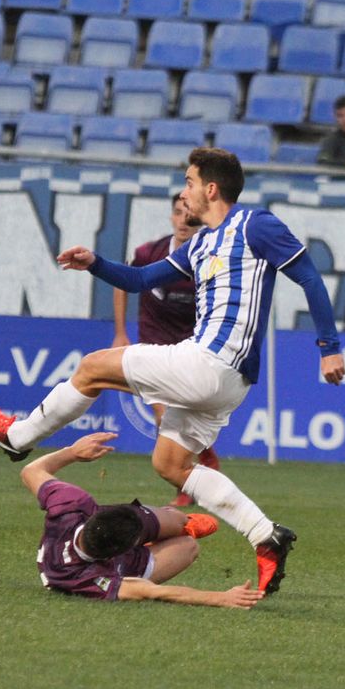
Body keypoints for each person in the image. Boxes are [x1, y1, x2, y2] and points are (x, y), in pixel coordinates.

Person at [0, 148, 345, 595]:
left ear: (211, 188)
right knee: (169, 464)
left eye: (189, 183)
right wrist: (95, 264)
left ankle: (17, 437)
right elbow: (140, 279)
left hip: (210, 362)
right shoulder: (201, 244)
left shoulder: (254, 224)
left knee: (93, 367)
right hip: (226, 384)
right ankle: (266, 536)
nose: (184, 192)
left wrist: (328, 347)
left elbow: (309, 276)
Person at [16, 431, 262, 609]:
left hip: (107, 535)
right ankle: (170, 532)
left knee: (177, 520)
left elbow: (30, 471)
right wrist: (222, 597)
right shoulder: (91, 578)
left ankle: (178, 521)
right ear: (126, 548)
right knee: (188, 546)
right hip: (123, 565)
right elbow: (158, 593)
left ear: (97, 513)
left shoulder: (72, 505)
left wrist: (72, 453)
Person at [111, 191, 219, 507]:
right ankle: (191, 479)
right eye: (177, 213)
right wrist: (120, 332)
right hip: (155, 339)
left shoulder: (210, 258)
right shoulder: (149, 253)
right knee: (164, 416)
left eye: (189, 214)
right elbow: (123, 280)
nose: (183, 220)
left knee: (183, 417)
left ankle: (201, 464)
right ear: (171, 216)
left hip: (192, 344)